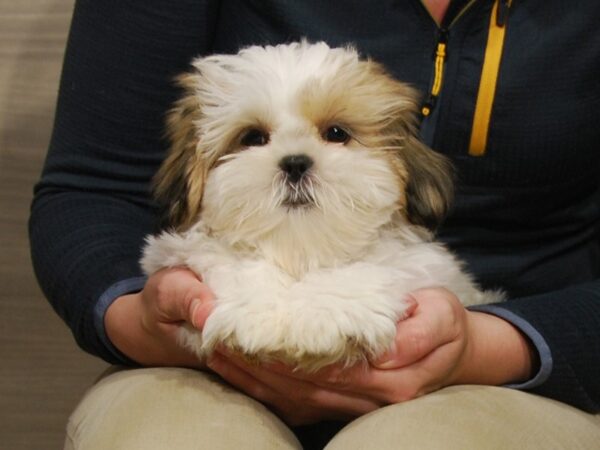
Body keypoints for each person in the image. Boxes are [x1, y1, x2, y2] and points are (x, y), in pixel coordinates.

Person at [29, 0, 600, 448]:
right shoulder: (194, 253)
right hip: (189, 365)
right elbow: (88, 189)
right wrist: (145, 319)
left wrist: (486, 344)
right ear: (197, 175)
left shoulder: (416, 265)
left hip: (511, 362)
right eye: (253, 138)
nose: (296, 158)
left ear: (402, 174)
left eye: (336, 134)